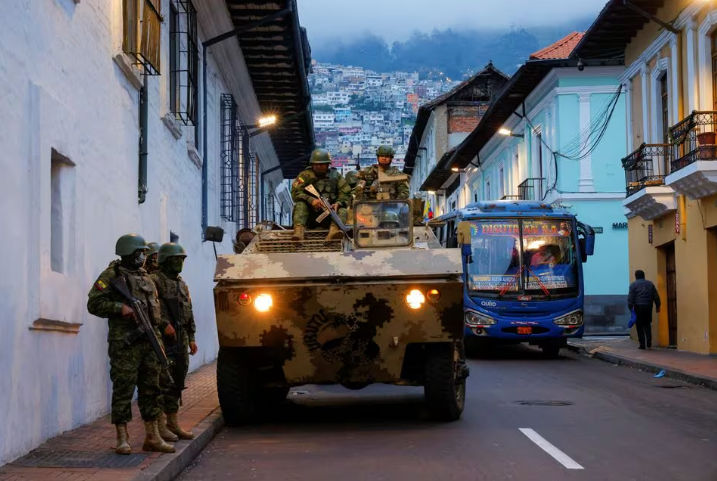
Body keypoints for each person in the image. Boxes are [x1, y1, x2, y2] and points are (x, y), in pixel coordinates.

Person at [87, 234, 175, 455]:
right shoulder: (111, 276)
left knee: (151, 389)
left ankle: (153, 435)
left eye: (145, 253)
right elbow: (94, 303)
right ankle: (122, 437)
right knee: (123, 388)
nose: (144, 257)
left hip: (149, 342)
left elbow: (154, 311)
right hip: (125, 345)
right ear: (130, 253)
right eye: (141, 253)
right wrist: (120, 308)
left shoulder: (147, 278)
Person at [152, 243, 197, 441]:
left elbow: (189, 311)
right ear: (165, 261)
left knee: (178, 380)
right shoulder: (154, 281)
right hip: (163, 339)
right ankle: (160, 425)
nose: (180, 263)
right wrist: (163, 324)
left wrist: (192, 338)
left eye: (182, 259)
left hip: (181, 337)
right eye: (176, 259)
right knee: (163, 382)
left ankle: (173, 421)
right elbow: (150, 308)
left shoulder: (181, 283)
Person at [291, 149, 351, 241]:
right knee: (300, 205)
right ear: (312, 164)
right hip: (309, 214)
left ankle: (334, 232)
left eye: (322, 164)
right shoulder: (304, 176)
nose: (319, 166)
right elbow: (296, 193)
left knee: (342, 210)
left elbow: (346, 193)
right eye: (316, 164)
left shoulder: (336, 176)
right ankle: (299, 232)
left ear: (328, 165)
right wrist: (311, 200)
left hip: (330, 214)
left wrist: (338, 203)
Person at [627, 269, 661, 349]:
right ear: (643, 275)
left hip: (638, 307)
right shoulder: (650, 284)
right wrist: (658, 306)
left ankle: (642, 344)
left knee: (639, 325)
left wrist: (630, 307)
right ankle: (649, 343)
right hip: (648, 306)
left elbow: (631, 297)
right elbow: (656, 296)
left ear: (636, 276)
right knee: (647, 324)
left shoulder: (633, 285)